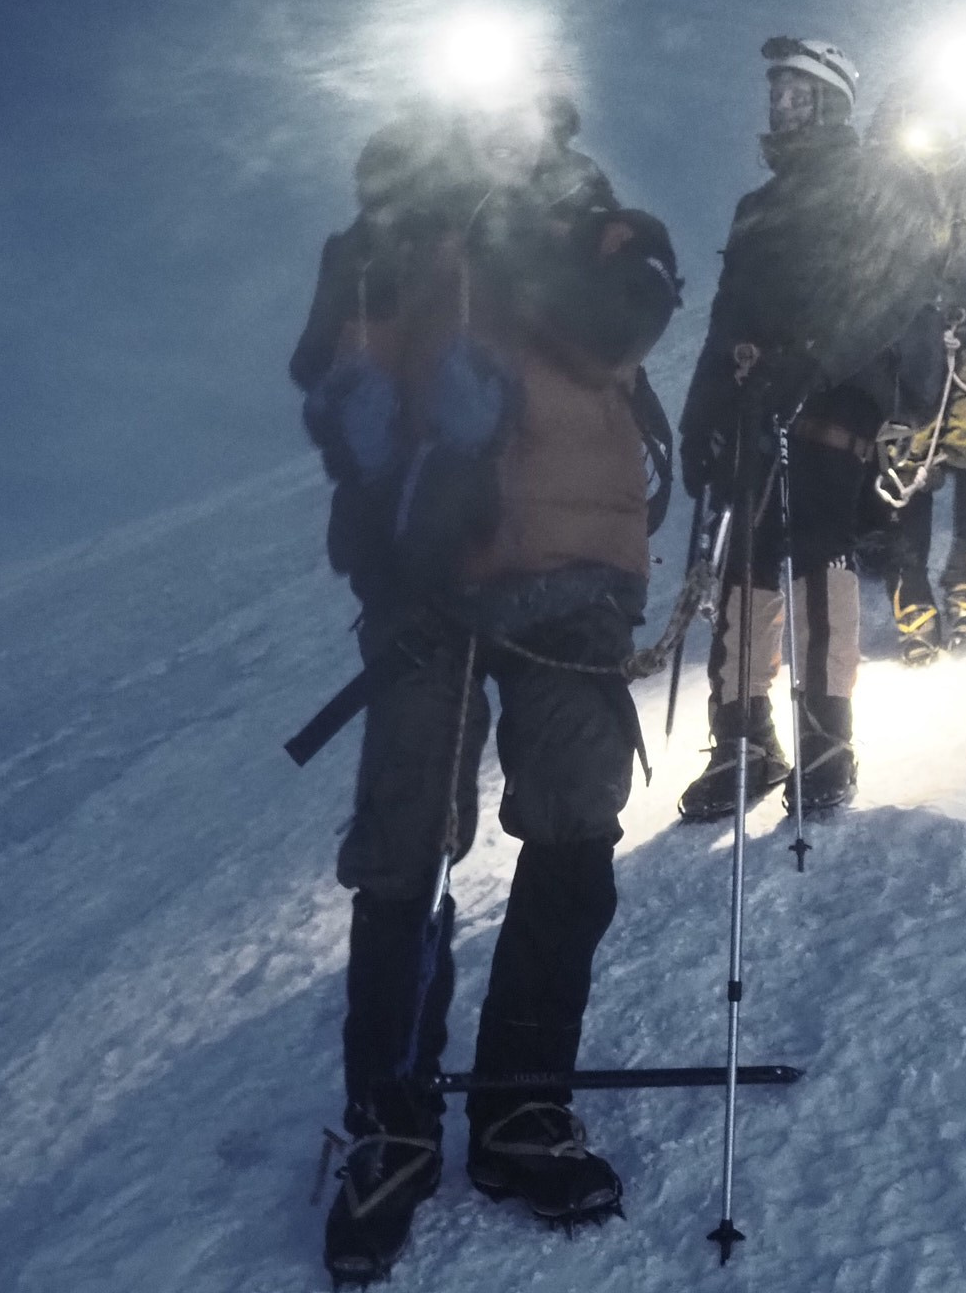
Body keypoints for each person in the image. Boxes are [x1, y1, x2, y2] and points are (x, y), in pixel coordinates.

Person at [291, 97, 681, 1284]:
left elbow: (622, 329)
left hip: (569, 569)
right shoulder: (391, 240)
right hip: (428, 575)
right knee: (404, 841)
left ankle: (519, 1105)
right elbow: (331, 378)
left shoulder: (603, 228)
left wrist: (514, 238)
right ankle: (393, 1121)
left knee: (568, 826)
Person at [674, 37, 946, 821]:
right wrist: (701, 418)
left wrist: (816, 359)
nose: (782, 107)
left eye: (797, 94)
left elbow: (893, 287)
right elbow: (728, 320)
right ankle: (744, 741)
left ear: (830, 102)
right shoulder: (757, 208)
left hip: (839, 393)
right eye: (776, 95)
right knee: (743, 566)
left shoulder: (877, 181)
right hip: (758, 396)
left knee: (818, 558)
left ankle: (827, 740)